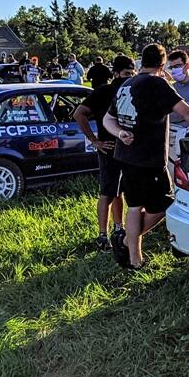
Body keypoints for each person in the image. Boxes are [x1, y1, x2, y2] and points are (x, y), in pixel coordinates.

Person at [103, 44, 189, 270]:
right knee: (165, 203)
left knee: (135, 206)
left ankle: (134, 259)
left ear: (142, 61)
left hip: (125, 155)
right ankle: (126, 242)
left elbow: (107, 120)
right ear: (162, 65)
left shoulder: (127, 84)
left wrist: (120, 133)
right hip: (149, 157)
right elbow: (188, 112)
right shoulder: (157, 84)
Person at [74, 55, 136, 253]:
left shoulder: (132, 90)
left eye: (132, 73)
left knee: (120, 191)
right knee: (107, 192)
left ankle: (119, 228)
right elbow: (79, 113)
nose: (129, 77)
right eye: (126, 73)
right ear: (116, 73)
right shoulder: (105, 91)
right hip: (108, 147)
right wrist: (94, 141)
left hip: (128, 148)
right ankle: (102, 236)